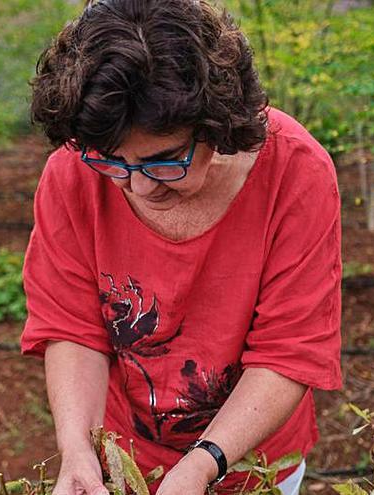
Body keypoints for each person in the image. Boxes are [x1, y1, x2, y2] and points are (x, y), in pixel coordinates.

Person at [20, 1, 342, 493]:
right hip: (124, 458)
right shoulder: (72, 172)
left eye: (165, 160)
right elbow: (72, 328)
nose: (138, 187)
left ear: (217, 122)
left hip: (255, 465)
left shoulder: (297, 172)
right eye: (112, 162)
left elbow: (288, 352)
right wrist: (78, 453)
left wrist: (201, 465)